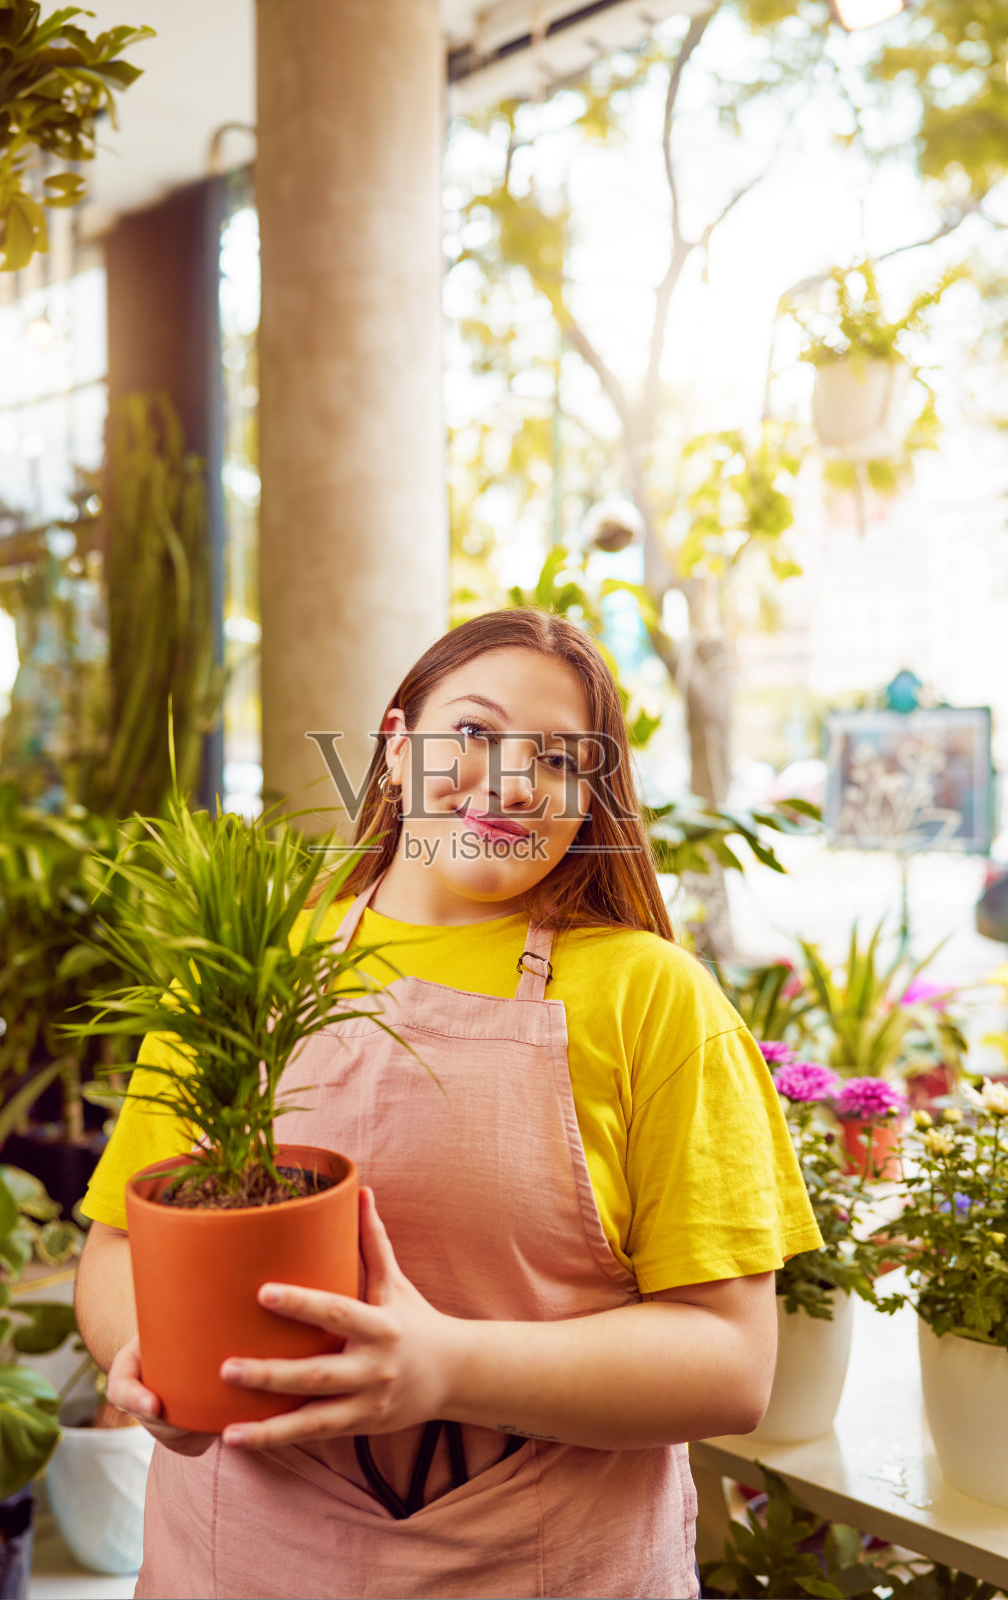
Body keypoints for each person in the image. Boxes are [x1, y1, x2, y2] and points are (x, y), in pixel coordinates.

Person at [75, 608, 822, 1600]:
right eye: (472, 731)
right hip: (237, 1557)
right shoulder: (245, 968)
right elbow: (121, 1242)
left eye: (558, 758)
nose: (512, 781)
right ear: (395, 749)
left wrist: (450, 1366)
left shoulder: (653, 997)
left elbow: (728, 1362)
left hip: (542, 1566)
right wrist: (160, 1365)